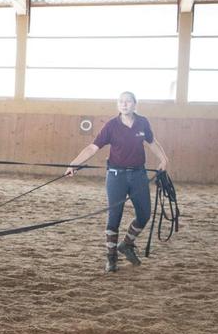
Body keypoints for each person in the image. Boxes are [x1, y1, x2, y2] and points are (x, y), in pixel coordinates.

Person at [65, 91, 169, 274]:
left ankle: (127, 244)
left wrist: (164, 159)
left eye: (128, 101)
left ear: (135, 104)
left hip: (138, 175)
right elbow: (93, 147)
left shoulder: (142, 122)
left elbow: (152, 142)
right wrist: (74, 163)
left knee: (144, 214)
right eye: (121, 101)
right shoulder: (111, 126)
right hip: (116, 176)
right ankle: (111, 257)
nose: (124, 104)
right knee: (114, 217)